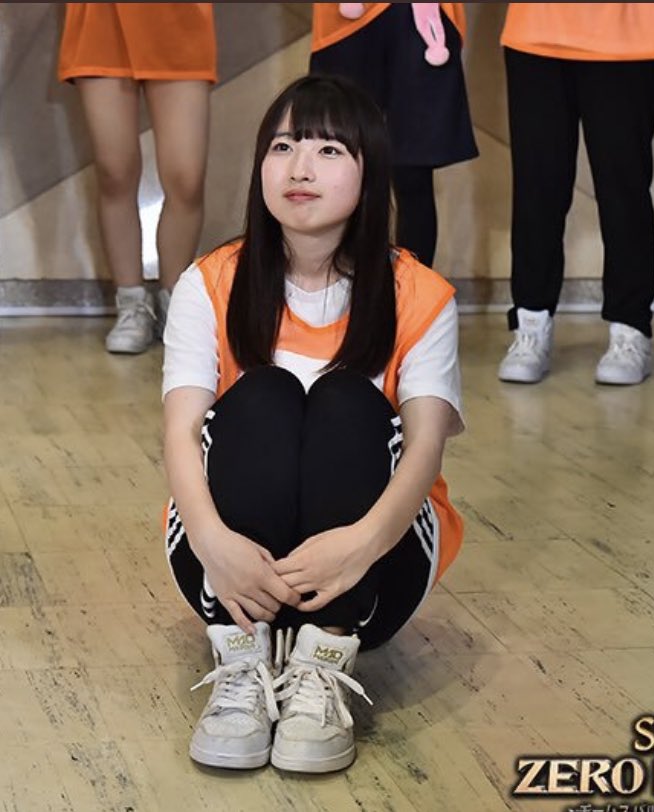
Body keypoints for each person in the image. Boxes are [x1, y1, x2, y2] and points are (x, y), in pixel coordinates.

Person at [162, 75, 464, 773]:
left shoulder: (418, 293)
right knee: (264, 393)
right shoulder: (210, 281)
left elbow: (424, 449)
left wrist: (359, 546)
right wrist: (213, 542)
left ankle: (322, 664)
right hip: (226, 573)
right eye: (283, 146)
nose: (300, 166)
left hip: (375, 569)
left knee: (347, 400)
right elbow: (179, 433)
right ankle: (241, 664)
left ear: (370, 171)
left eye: (329, 149)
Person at [496, 3, 654, 386]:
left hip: (629, 36)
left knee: (623, 190)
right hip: (536, 31)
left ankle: (630, 328)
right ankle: (531, 322)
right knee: (536, 189)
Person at [58, 3, 216, 353]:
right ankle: (131, 304)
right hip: (100, 19)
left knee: (187, 178)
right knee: (114, 172)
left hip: (180, 19)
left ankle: (176, 304)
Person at [308, 3, 478, 267]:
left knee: (413, 174)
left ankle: (411, 287)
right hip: (344, 21)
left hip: (423, 20)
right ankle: (336, 282)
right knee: (336, 164)